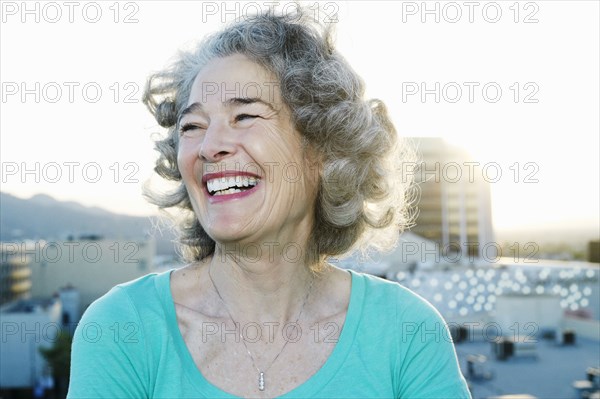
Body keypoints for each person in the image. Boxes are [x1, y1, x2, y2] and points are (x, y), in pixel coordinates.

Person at [67, 8, 471, 399]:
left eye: (244, 116)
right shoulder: (124, 328)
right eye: (192, 126)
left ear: (323, 151)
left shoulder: (405, 332)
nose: (210, 147)